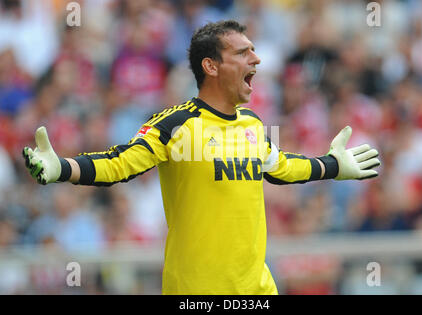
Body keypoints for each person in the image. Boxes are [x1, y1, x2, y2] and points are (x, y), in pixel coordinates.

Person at [22, 20, 380, 295]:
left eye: (253, 50)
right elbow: (118, 163)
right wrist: (62, 168)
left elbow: (282, 167)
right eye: (242, 53)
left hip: (256, 290)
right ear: (210, 66)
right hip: (197, 293)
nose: (255, 59)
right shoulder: (176, 124)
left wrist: (333, 164)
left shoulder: (254, 124)